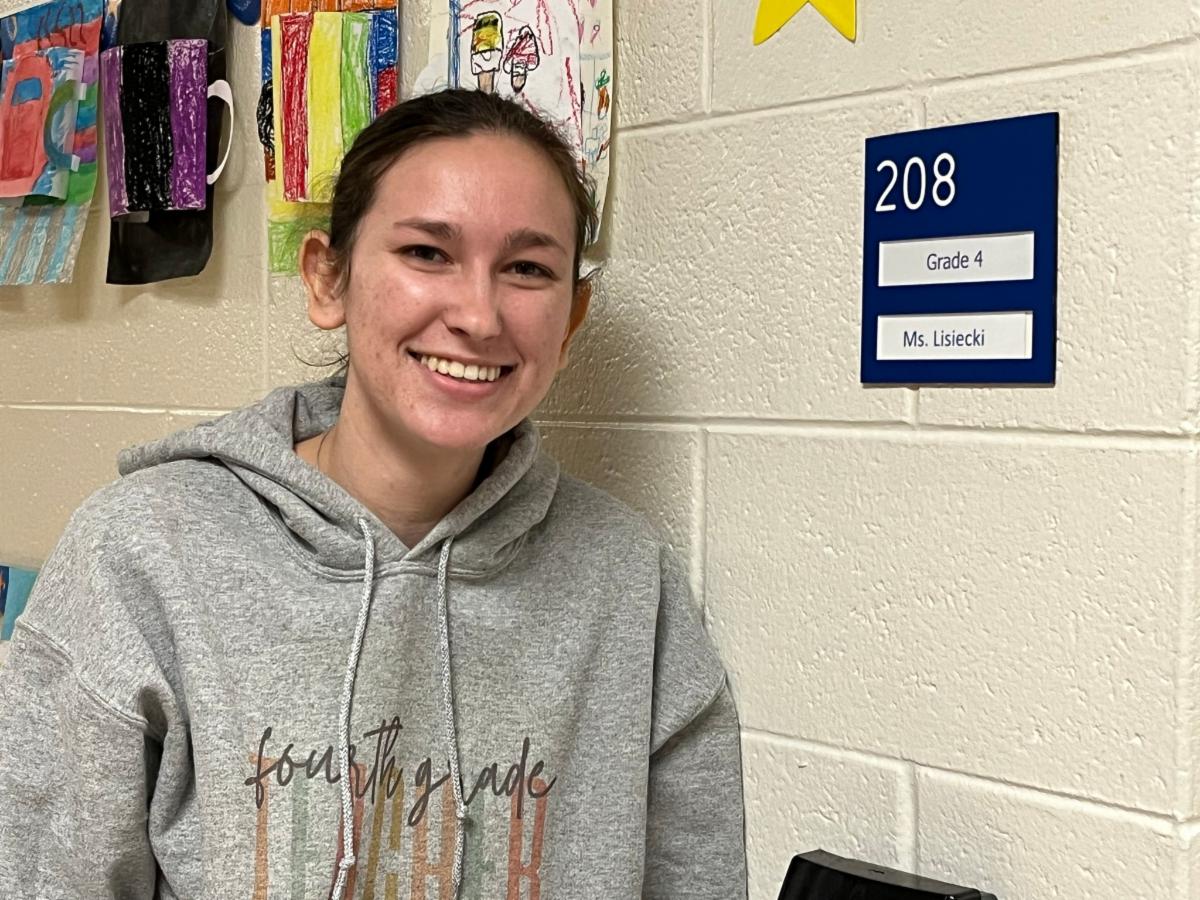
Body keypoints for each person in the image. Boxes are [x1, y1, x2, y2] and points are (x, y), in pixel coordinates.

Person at [0, 89, 747, 899]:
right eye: (427, 252)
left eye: (528, 269)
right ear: (329, 278)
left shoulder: (632, 585)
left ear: (570, 319)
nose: (478, 314)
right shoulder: (140, 554)